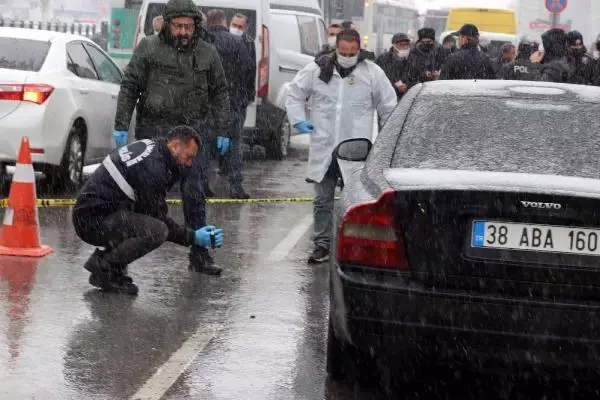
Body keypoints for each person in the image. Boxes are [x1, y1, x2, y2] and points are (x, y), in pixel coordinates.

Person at [112, 0, 231, 274]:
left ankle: (200, 255)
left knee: (195, 195)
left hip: (192, 136)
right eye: (178, 26)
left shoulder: (207, 53)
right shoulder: (149, 48)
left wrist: (224, 129)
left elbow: (220, 92)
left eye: (188, 26)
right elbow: (130, 85)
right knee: (140, 198)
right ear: (167, 24)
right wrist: (121, 124)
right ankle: (117, 260)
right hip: (156, 134)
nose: (183, 32)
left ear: (196, 26)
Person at [285, 29, 397, 264]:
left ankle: (357, 247)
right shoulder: (318, 70)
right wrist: (297, 119)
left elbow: (388, 106)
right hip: (324, 145)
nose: (347, 56)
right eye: (343, 52)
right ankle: (322, 245)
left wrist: (385, 141)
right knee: (322, 200)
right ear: (335, 48)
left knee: (357, 202)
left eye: (352, 53)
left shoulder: (372, 73)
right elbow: (294, 92)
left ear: (359, 50)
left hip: (356, 148)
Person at [72, 127, 225, 295]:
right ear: (174, 146)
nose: (189, 164)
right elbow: (157, 217)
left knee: (141, 221)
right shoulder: (154, 169)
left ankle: (104, 262)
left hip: (95, 213)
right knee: (157, 230)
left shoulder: (156, 149)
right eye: (188, 157)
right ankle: (105, 270)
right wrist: (194, 237)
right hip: (91, 221)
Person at [206, 9, 254, 199]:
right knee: (234, 146)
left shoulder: (202, 42)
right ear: (225, 22)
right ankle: (235, 186)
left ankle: (203, 185)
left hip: (208, 104)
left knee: (204, 146)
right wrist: (244, 99)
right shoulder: (238, 43)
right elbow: (248, 72)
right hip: (233, 102)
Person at [375, 33, 410, 100]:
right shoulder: (383, 59)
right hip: (386, 98)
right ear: (394, 45)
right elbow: (377, 78)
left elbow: (416, 77)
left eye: (407, 45)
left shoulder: (412, 59)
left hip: (406, 99)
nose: (405, 47)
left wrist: (407, 86)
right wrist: (395, 85)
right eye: (402, 45)